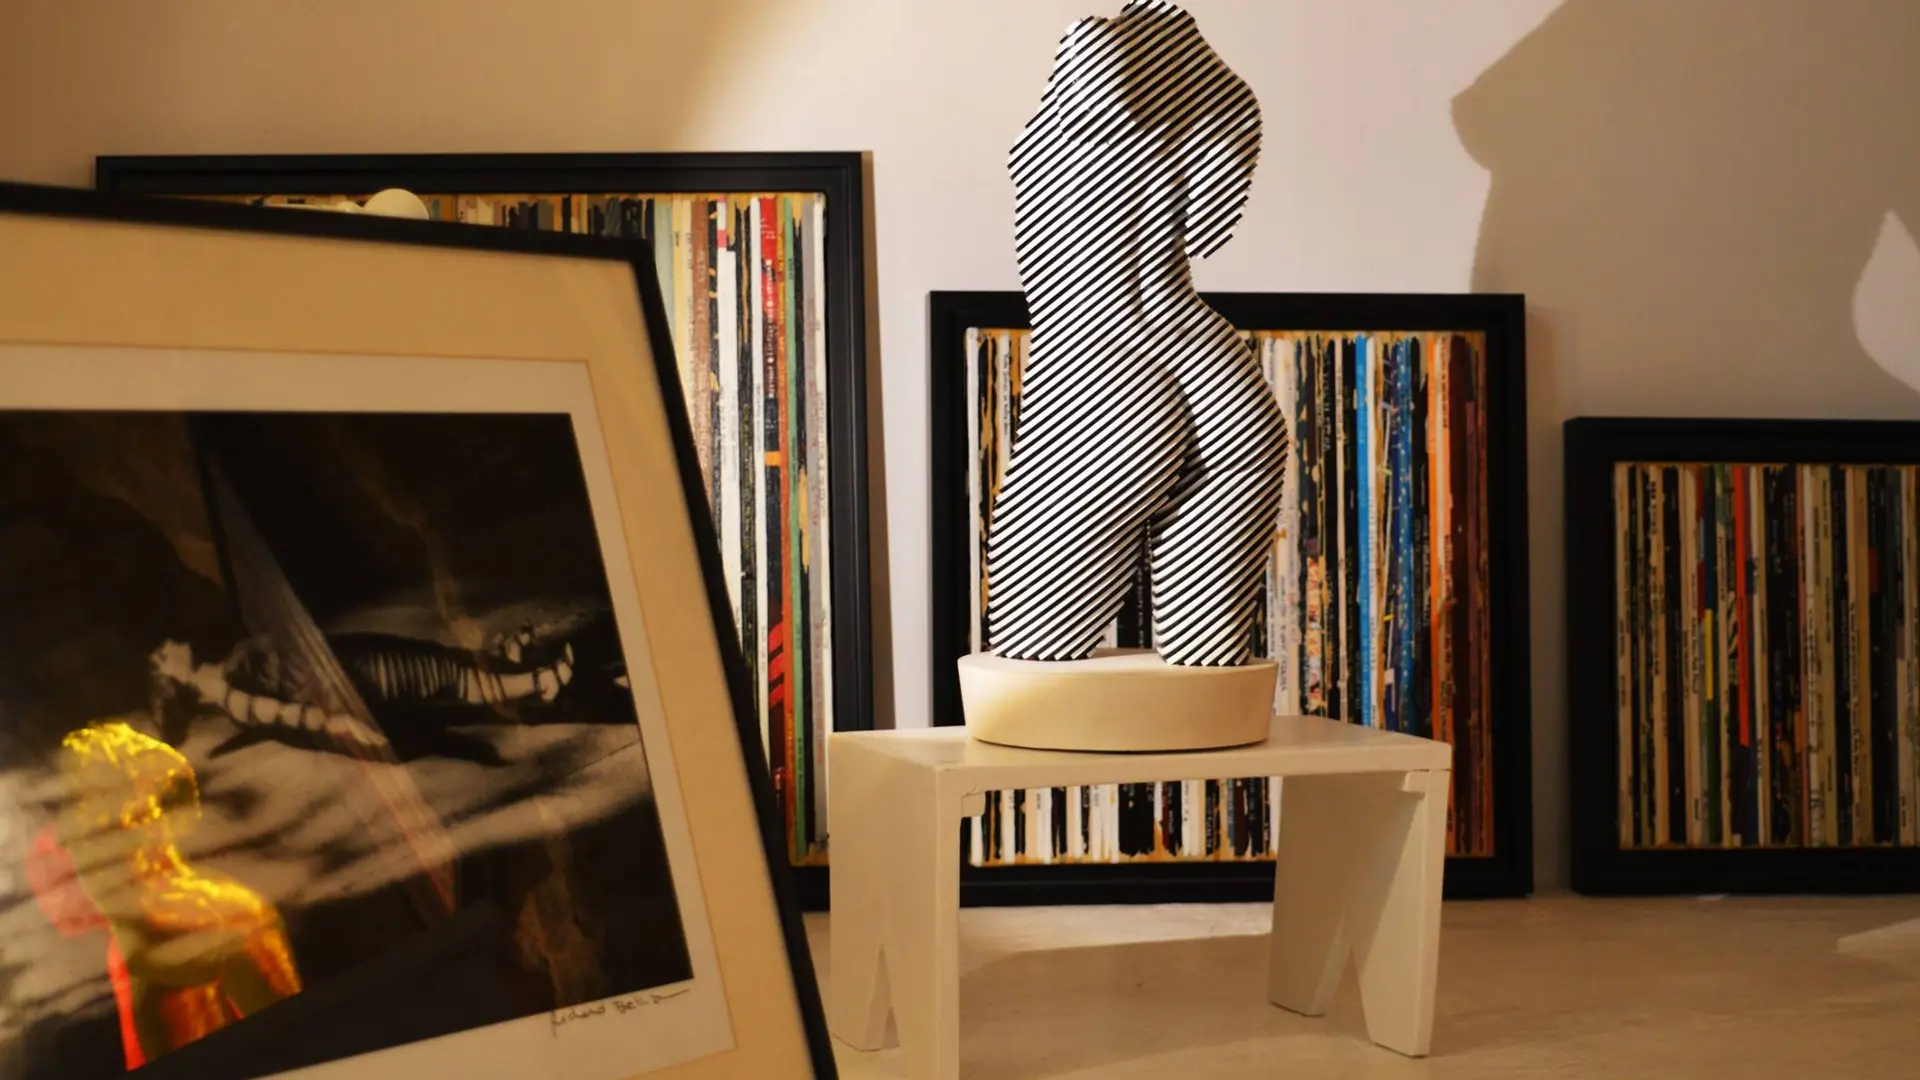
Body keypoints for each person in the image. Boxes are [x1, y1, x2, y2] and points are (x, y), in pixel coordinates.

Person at [986, 0, 1288, 666]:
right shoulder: (1207, 79)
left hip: (1100, 355)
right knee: (1204, 666)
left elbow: (1104, 109)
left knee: (1036, 666)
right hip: (1203, 357)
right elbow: (1211, 225)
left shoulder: (1098, 51)